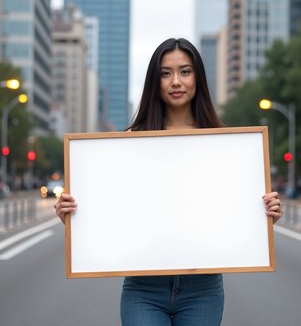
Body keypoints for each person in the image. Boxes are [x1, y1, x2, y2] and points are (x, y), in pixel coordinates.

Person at [55, 37, 283, 326]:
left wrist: (264, 216)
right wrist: (72, 215)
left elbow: (231, 210)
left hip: (204, 288)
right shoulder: (128, 143)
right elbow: (112, 209)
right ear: (155, 81)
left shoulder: (227, 144)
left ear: (198, 77)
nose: (176, 81)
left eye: (185, 71)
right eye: (166, 73)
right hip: (143, 288)